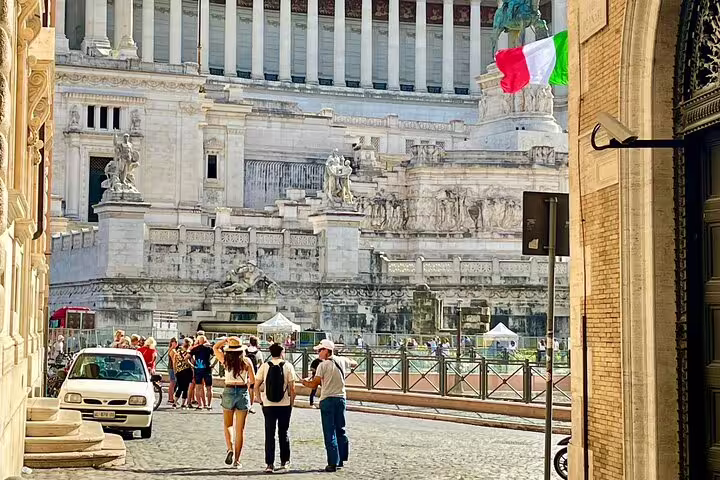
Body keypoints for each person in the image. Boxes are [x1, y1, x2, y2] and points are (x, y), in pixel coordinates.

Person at [301, 339, 357, 472]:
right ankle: (342, 459)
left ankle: (332, 462)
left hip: (327, 399)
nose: (318, 352)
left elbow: (315, 383)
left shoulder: (323, 365)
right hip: (341, 398)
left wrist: (304, 382)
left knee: (329, 431)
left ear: (327, 350)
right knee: (341, 429)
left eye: (320, 350)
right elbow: (354, 363)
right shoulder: (341, 361)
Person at [213, 337, 256, 469]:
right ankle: (237, 460)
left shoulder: (226, 360)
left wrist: (225, 340)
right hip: (242, 391)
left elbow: (215, 348)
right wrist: (252, 397)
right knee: (240, 429)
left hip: (229, 390)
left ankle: (229, 448)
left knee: (228, 425)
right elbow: (253, 380)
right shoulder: (247, 361)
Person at [254, 343, 297, 473]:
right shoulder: (288, 366)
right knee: (283, 432)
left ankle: (269, 464)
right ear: (282, 352)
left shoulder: (264, 366)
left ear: (270, 353)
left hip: (268, 405)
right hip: (284, 404)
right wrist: (291, 402)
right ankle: (285, 461)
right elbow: (292, 388)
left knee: (269, 434)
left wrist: (260, 401)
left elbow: (255, 386)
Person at [189, 335, 214, 410]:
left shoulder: (195, 349)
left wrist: (192, 365)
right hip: (207, 369)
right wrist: (213, 364)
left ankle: (200, 404)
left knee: (198, 387)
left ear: (198, 341)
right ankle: (209, 405)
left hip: (198, 369)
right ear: (205, 341)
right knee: (209, 387)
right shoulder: (209, 348)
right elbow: (216, 355)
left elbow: (186, 357)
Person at [174, 338, 194, 409]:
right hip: (187, 370)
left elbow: (175, 360)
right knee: (185, 388)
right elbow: (189, 360)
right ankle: (183, 403)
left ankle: (175, 402)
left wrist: (175, 370)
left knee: (179, 387)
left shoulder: (178, 350)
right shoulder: (189, 351)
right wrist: (192, 366)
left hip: (179, 370)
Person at [167, 337, 178, 407]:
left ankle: (171, 397)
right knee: (172, 382)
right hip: (172, 368)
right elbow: (174, 361)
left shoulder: (170, 350)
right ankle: (171, 398)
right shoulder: (173, 351)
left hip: (170, 367)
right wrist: (175, 369)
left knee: (172, 383)